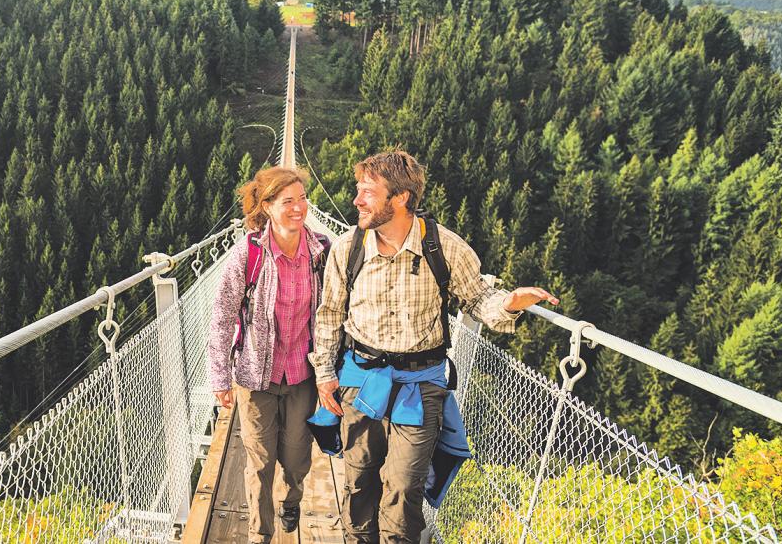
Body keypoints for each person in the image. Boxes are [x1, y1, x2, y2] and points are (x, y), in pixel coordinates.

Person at [309, 151, 557, 543]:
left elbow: (477, 298)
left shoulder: (443, 247)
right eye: (358, 190)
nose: (356, 200)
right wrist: (325, 375)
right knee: (358, 482)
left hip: (420, 388)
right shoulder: (347, 248)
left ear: (402, 198)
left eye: (368, 193)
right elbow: (328, 315)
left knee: (404, 488)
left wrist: (509, 303)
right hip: (358, 382)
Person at [207, 166, 331, 543]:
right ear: (268, 206)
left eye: (303, 199)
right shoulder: (249, 254)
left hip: (302, 376)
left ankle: (291, 498)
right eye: (288, 201)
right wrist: (219, 378)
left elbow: (335, 309)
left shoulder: (322, 250)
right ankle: (260, 534)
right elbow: (222, 317)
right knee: (259, 462)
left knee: (296, 456)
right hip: (255, 377)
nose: (299, 208)